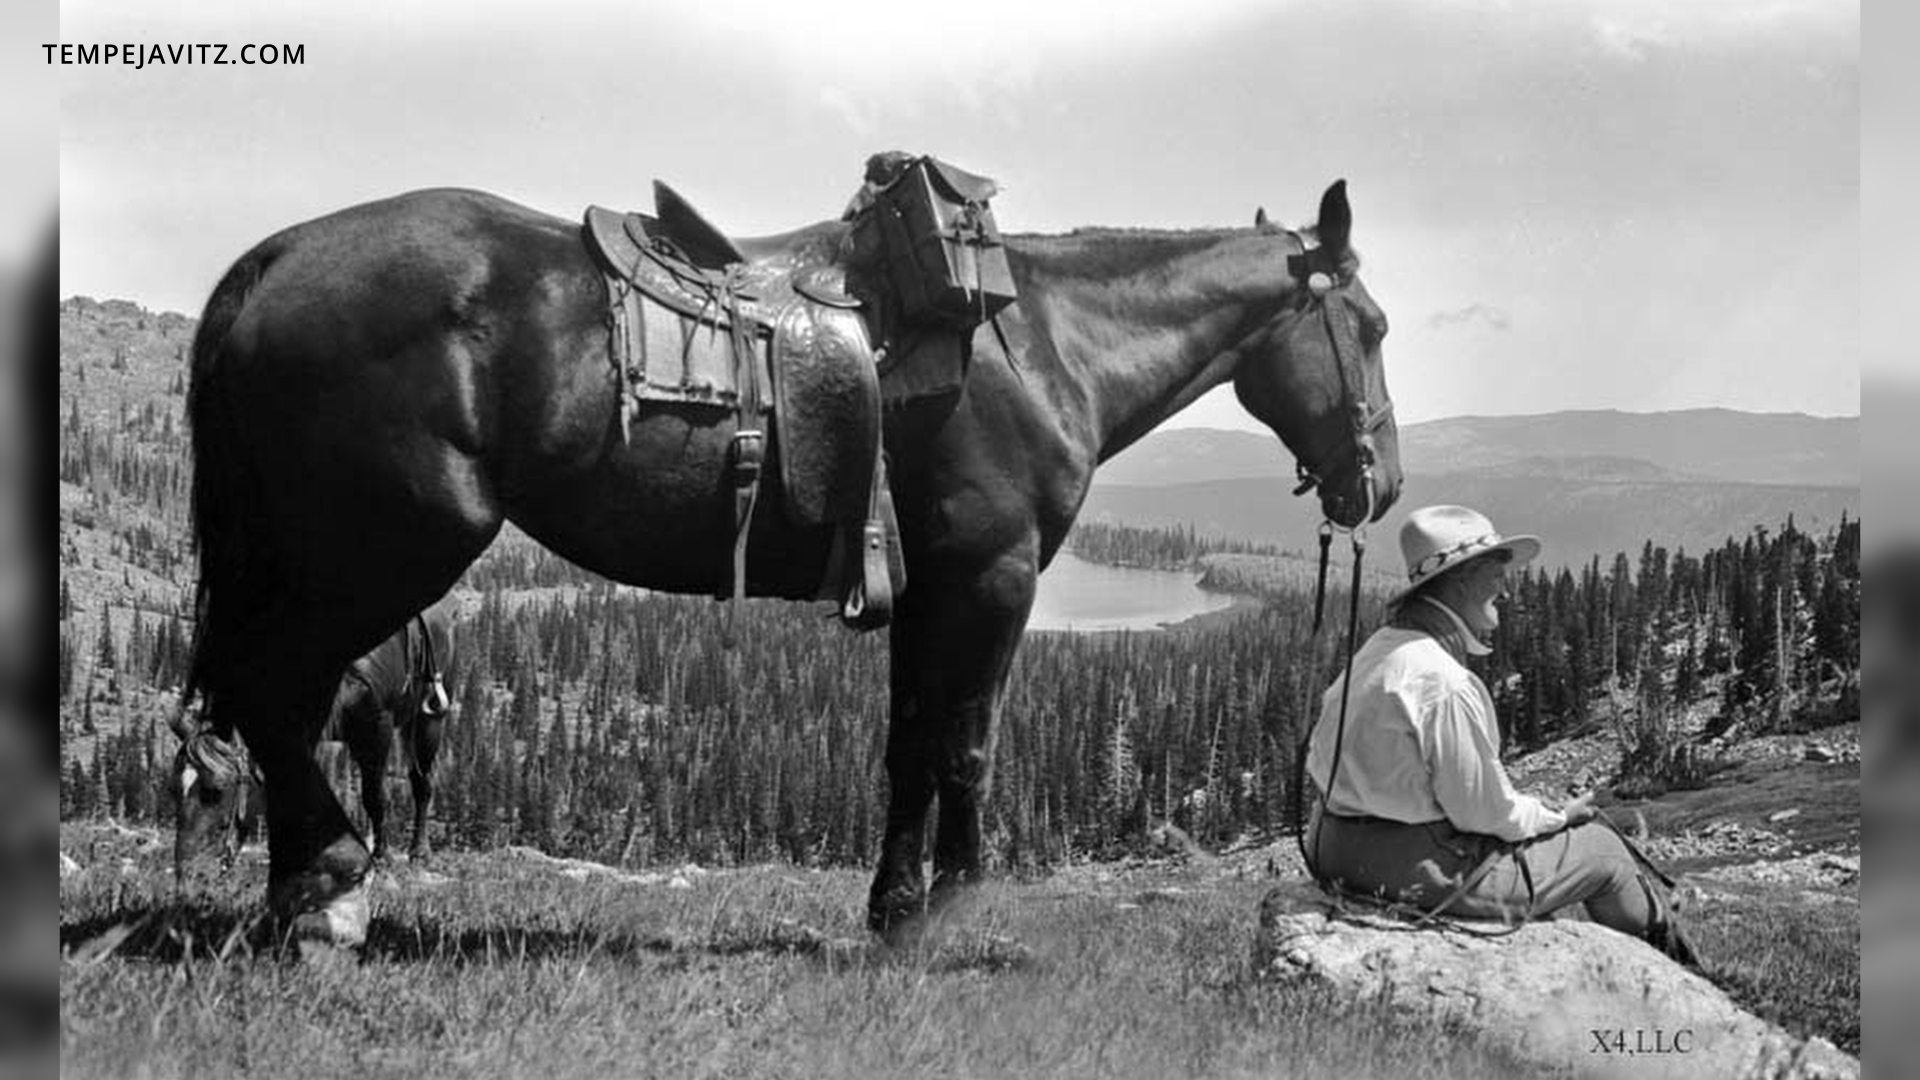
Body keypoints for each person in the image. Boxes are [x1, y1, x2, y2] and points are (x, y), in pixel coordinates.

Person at [1303, 505, 1698, 966]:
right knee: (1605, 853)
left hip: (1332, 850)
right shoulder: (1444, 681)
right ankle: (1676, 974)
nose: (1505, 589)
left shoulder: (1378, 652)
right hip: (1410, 868)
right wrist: (1557, 815)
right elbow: (1483, 814)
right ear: (1462, 579)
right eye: (1497, 573)